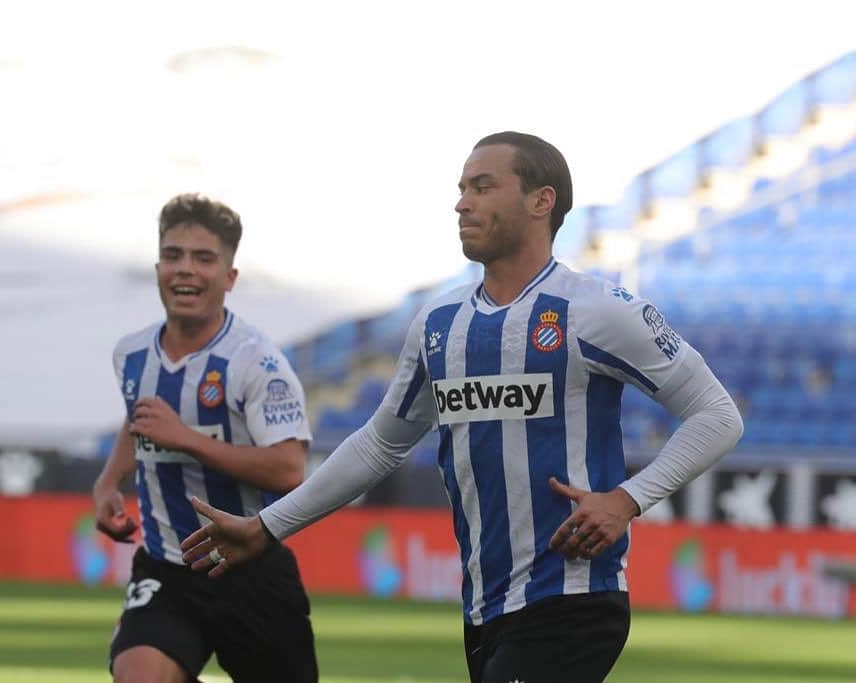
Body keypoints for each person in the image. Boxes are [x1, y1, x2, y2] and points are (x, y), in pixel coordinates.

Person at [181, 132, 745, 683]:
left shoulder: (596, 310)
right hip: (484, 608)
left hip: (572, 597)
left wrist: (626, 499)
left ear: (540, 201)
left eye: (482, 186)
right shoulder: (439, 324)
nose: (462, 203)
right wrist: (267, 527)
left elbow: (717, 414)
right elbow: (380, 443)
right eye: (461, 188)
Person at [93, 193, 318, 683]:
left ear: (229, 277)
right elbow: (139, 424)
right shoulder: (131, 355)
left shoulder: (257, 362)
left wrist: (187, 439)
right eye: (173, 256)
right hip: (167, 569)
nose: (185, 270)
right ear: (158, 267)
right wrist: (109, 481)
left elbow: (288, 469)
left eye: (203, 258)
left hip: (250, 569)